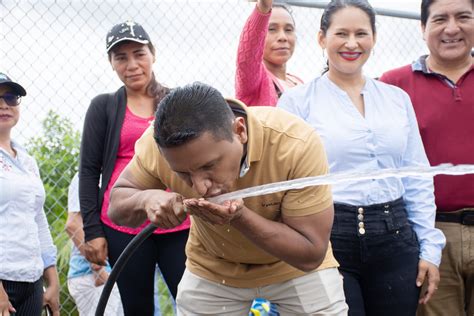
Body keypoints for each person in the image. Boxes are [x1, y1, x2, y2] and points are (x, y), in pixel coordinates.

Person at [107, 82, 348, 315]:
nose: (200, 187)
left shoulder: (294, 143)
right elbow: (117, 205)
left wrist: (239, 217)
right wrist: (146, 199)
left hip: (292, 266)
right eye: (183, 174)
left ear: (240, 131)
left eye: (209, 166)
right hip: (214, 266)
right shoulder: (159, 144)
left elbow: (311, 254)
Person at [277, 1, 446, 315]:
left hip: (396, 237)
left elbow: (416, 176)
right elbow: (286, 183)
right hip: (328, 238)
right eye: (341, 33)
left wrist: (430, 249)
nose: (352, 43)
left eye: (361, 34)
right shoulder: (297, 103)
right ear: (321, 38)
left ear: (374, 38)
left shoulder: (396, 99)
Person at [79, 20, 190, 315]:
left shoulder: (176, 101)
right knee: (137, 306)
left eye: (139, 53)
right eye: (121, 57)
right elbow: (89, 171)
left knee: (194, 300)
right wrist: (93, 231)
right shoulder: (103, 106)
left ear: (153, 54)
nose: (132, 64)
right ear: (111, 63)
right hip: (123, 224)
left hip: (178, 222)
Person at [379, 0, 474, 314]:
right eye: (440, 19)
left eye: (463, 17)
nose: (452, 28)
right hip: (430, 236)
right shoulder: (393, 86)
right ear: (422, 28)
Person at [0, 72, 60, 316]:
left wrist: (52, 279)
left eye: (11, 98)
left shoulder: (27, 161)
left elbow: (38, 219)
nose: (4, 105)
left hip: (31, 279)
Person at [66, 173, 124, 316]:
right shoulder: (86, 176)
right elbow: (73, 224)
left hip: (115, 271)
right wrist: (97, 268)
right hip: (94, 275)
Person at [235, 0, 303, 106]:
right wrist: (263, 7)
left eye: (288, 30)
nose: (282, 37)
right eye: (272, 29)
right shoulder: (254, 80)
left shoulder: (298, 82)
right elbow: (248, 55)